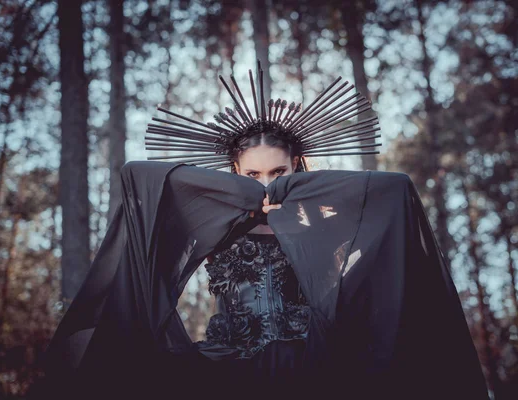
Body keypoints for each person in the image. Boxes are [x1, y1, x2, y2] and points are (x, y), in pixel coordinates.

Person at [30, 64, 490, 399]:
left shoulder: (325, 225)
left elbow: (395, 189)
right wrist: (235, 195)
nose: (266, 185)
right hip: (228, 367)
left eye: (279, 172)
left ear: (297, 169)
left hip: (312, 364)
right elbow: (137, 175)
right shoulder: (213, 224)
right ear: (232, 171)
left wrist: (296, 192)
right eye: (252, 175)